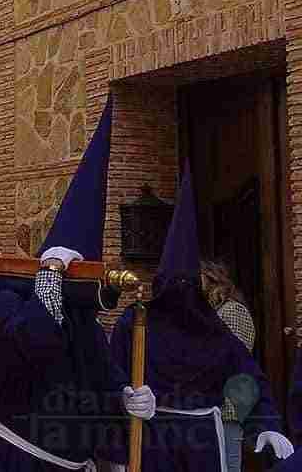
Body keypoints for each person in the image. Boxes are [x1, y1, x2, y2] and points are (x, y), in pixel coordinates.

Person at [0, 97, 157, 471]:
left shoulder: (87, 328)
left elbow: (99, 384)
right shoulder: (8, 303)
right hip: (17, 460)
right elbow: (36, 339)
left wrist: (126, 398)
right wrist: (50, 275)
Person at [110, 162, 294, 471]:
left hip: (204, 442)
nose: (179, 295)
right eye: (173, 286)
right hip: (151, 438)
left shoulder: (214, 331)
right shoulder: (135, 322)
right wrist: (125, 397)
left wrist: (267, 425)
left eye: (187, 287)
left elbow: (248, 377)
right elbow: (110, 372)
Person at [199, 259, 257, 472]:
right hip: (216, 401)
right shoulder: (214, 311)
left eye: (200, 278)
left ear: (212, 279)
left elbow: (233, 359)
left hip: (229, 402)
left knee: (230, 462)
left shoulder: (232, 311)